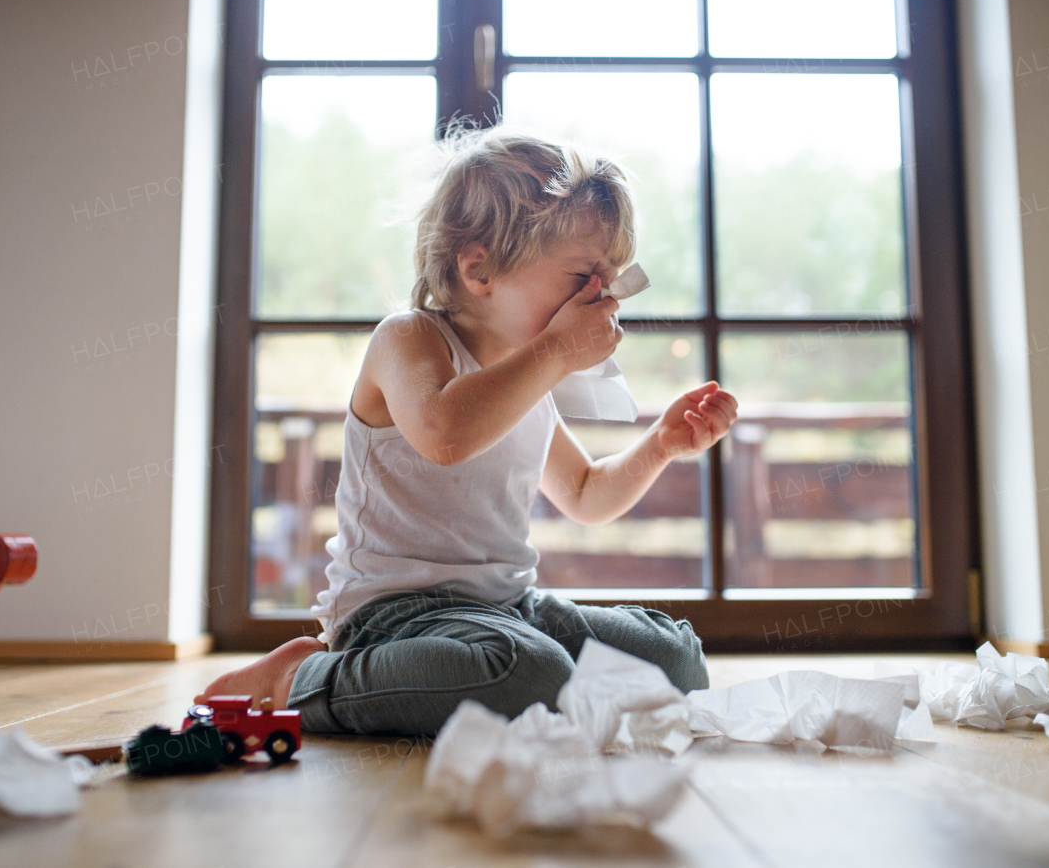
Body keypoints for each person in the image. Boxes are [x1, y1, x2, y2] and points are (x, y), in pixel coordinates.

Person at [195, 124, 739, 736]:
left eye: (609, 280)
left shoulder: (525, 375)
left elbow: (585, 493)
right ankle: (299, 680)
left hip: (509, 607)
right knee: (527, 675)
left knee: (676, 658)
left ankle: (533, 688)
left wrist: (662, 444)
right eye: (582, 277)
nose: (605, 297)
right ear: (480, 270)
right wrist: (557, 352)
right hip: (396, 616)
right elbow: (446, 434)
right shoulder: (409, 340)